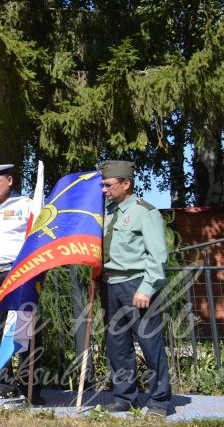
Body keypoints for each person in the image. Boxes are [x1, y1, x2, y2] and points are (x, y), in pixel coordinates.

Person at [99, 160, 172, 417]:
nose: (104, 189)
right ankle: (124, 397)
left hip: (136, 285)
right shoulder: (106, 212)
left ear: (126, 183)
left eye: (108, 184)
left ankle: (160, 401)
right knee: (117, 345)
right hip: (110, 285)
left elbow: (157, 255)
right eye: (103, 184)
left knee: (150, 345)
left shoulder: (144, 211)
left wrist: (146, 288)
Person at [0, 164, 44, 405]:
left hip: (18, 274)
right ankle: (4, 385)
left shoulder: (26, 205)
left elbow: (38, 237)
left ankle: (31, 388)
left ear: (10, 180)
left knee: (24, 331)